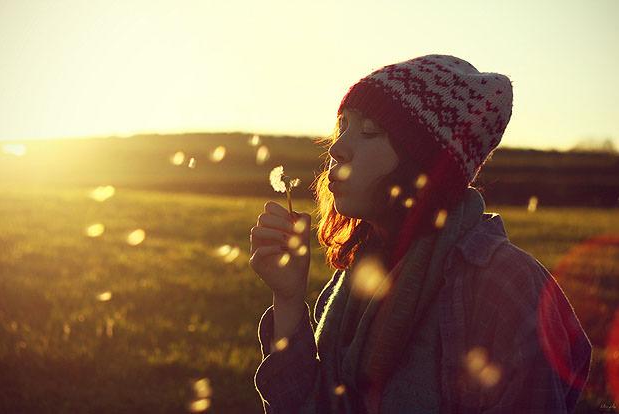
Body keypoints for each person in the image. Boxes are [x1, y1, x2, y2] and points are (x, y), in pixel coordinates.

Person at [249, 54, 592, 413]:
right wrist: (287, 299)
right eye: (343, 126)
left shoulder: (505, 286)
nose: (337, 148)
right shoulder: (350, 282)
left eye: (369, 132)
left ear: (424, 164)